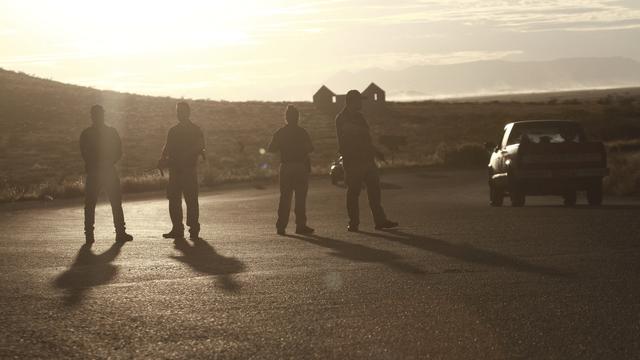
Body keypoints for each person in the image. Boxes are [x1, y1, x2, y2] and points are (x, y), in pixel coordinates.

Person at [335, 90, 398, 232]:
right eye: (359, 101)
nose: (361, 103)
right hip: (352, 161)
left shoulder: (359, 117)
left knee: (374, 191)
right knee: (353, 192)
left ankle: (380, 221)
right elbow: (356, 135)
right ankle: (354, 223)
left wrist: (375, 152)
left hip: (367, 159)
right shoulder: (341, 118)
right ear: (351, 101)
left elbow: (365, 138)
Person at [80, 105, 133, 244]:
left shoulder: (89, 133)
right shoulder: (106, 132)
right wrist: (107, 162)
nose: (97, 117)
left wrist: (103, 162)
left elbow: (117, 150)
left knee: (101, 203)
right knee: (109, 203)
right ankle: (117, 233)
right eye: (96, 114)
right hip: (103, 170)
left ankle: (91, 235)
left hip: (101, 170)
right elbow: (118, 151)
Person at [158, 102, 205, 240]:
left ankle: (193, 228)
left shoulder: (195, 130)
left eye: (182, 111)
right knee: (174, 200)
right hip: (175, 171)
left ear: (188, 112)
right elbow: (167, 147)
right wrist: (162, 159)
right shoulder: (173, 131)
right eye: (178, 111)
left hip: (188, 171)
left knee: (191, 200)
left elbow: (201, 146)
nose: (179, 114)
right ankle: (177, 228)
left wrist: (186, 156)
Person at [268, 105, 315, 235]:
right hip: (300, 166)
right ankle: (300, 225)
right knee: (300, 198)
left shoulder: (280, 132)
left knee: (285, 197)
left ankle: (281, 226)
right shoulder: (302, 132)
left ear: (286, 118)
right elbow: (310, 148)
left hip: (286, 166)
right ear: (297, 117)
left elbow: (271, 148)